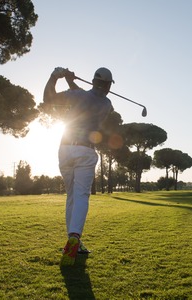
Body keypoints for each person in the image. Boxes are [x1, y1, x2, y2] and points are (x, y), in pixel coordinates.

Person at [43, 66, 114, 266]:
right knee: (82, 195)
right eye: (108, 84)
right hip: (86, 151)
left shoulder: (77, 95)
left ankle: (74, 242)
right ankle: (74, 237)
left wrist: (55, 76)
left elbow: (48, 99)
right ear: (107, 85)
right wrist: (70, 80)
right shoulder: (107, 104)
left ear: (93, 81)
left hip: (65, 150)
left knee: (72, 197)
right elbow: (88, 97)